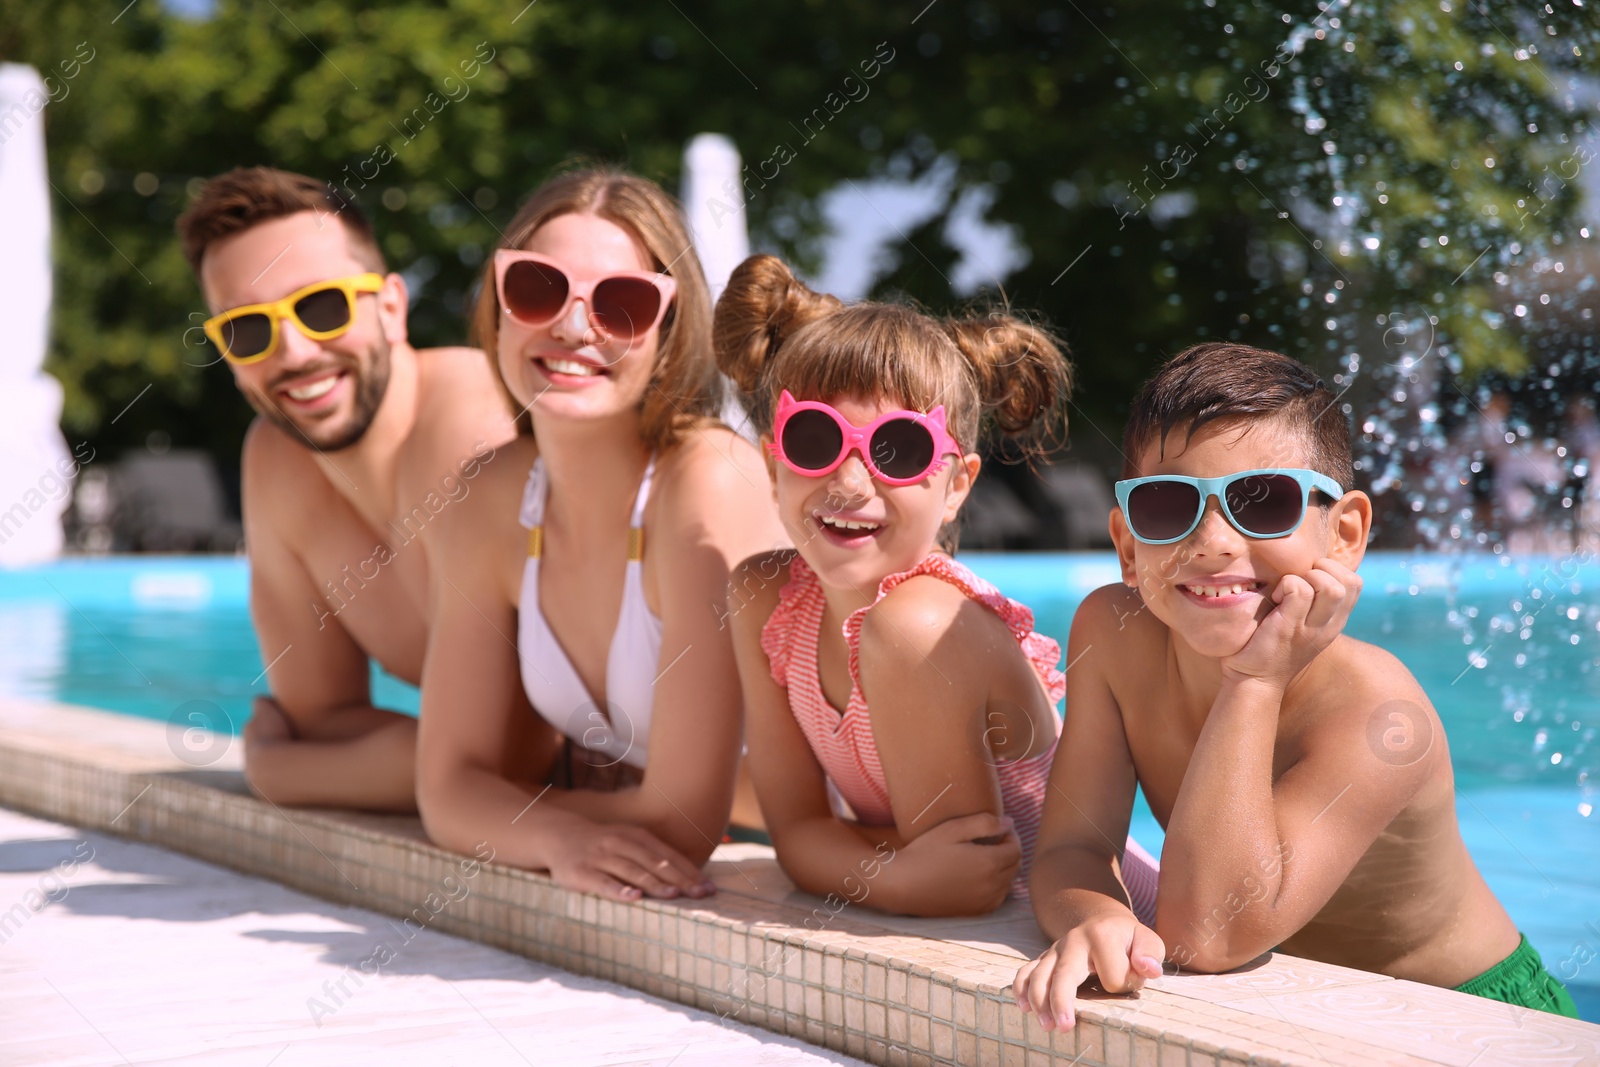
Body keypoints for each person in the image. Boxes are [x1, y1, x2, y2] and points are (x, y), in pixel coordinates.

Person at [1013, 343, 1579, 1029]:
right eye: (1168, 505)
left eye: (1262, 500)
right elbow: (1072, 845)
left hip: (1466, 1015)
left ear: (1344, 534)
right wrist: (1096, 913)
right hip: (1297, 1006)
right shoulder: (1113, 632)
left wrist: (1254, 679)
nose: (1214, 539)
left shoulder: (1377, 711)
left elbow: (1208, 933)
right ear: (1129, 547)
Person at [715, 255, 1161, 918]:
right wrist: (887, 871)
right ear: (772, 462)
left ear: (956, 486)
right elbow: (798, 836)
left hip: (1125, 930)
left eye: (899, 449)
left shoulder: (921, 624)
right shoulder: (764, 598)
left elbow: (966, 880)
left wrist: (860, 860)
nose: (851, 481)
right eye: (816, 438)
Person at [415, 169, 784, 902]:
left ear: (669, 330)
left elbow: (679, 822)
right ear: (498, 305)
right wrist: (559, 838)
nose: (576, 327)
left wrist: (509, 814)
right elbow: (447, 788)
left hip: (924, 838)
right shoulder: (488, 497)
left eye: (623, 303)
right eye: (537, 288)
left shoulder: (704, 484)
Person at [177, 167, 517, 811]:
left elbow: (514, 758)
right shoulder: (275, 462)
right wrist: (385, 758)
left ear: (391, 307)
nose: (296, 351)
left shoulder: (472, 429)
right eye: (249, 329)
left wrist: (283, 773)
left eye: (322, 307)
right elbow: (322, 717)